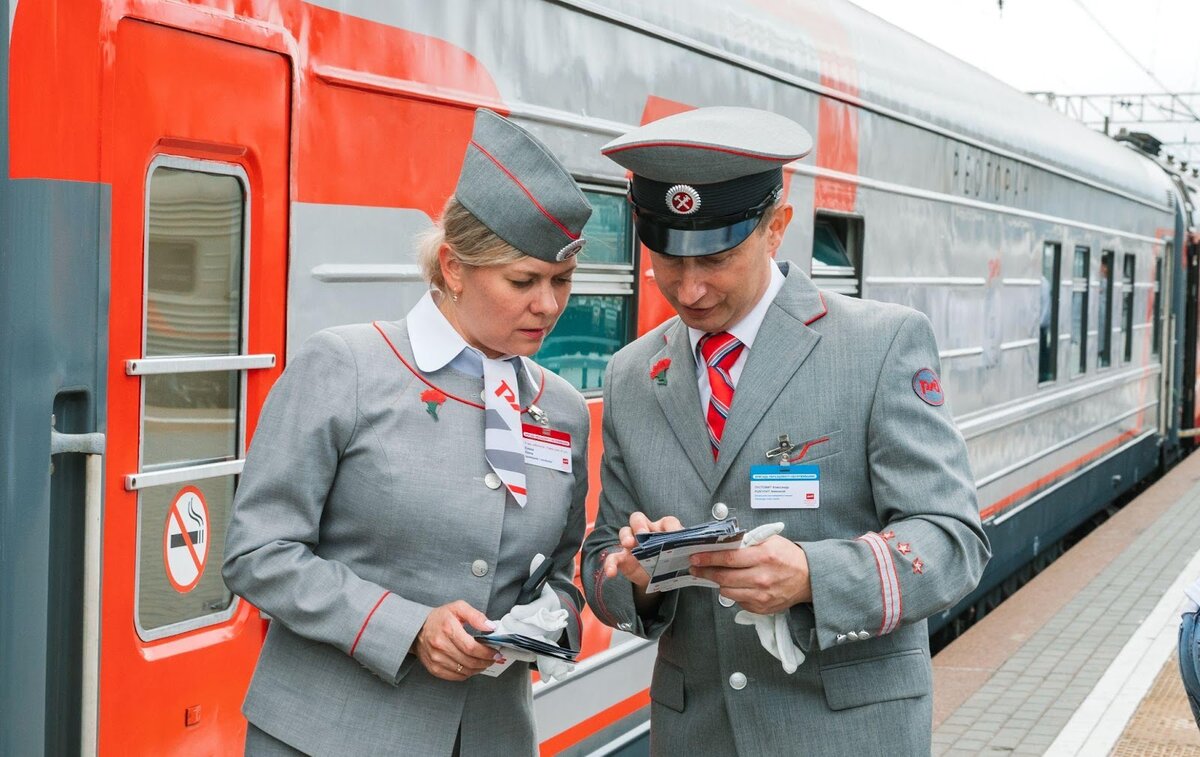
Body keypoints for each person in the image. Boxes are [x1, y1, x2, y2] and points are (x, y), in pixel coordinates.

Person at [581, 106, 991, 755]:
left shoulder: (878, 346)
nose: (688, 288)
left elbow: (951, 540)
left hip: (844, 737)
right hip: (697, 737)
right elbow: (601, 553)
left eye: (715, 258)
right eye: (667, 258)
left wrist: (812, 576)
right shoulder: (634, 375)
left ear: (776, 228)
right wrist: (634, 575)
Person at [223, 109, 593, 757]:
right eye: (523, 281)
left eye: (561, 281)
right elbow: (258, 552)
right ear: (453, 267)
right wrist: (408, 626)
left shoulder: (561, 409)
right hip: (327, 739)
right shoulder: (347, 366)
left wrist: (546, 621)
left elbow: (562, 571)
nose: (549, 304)